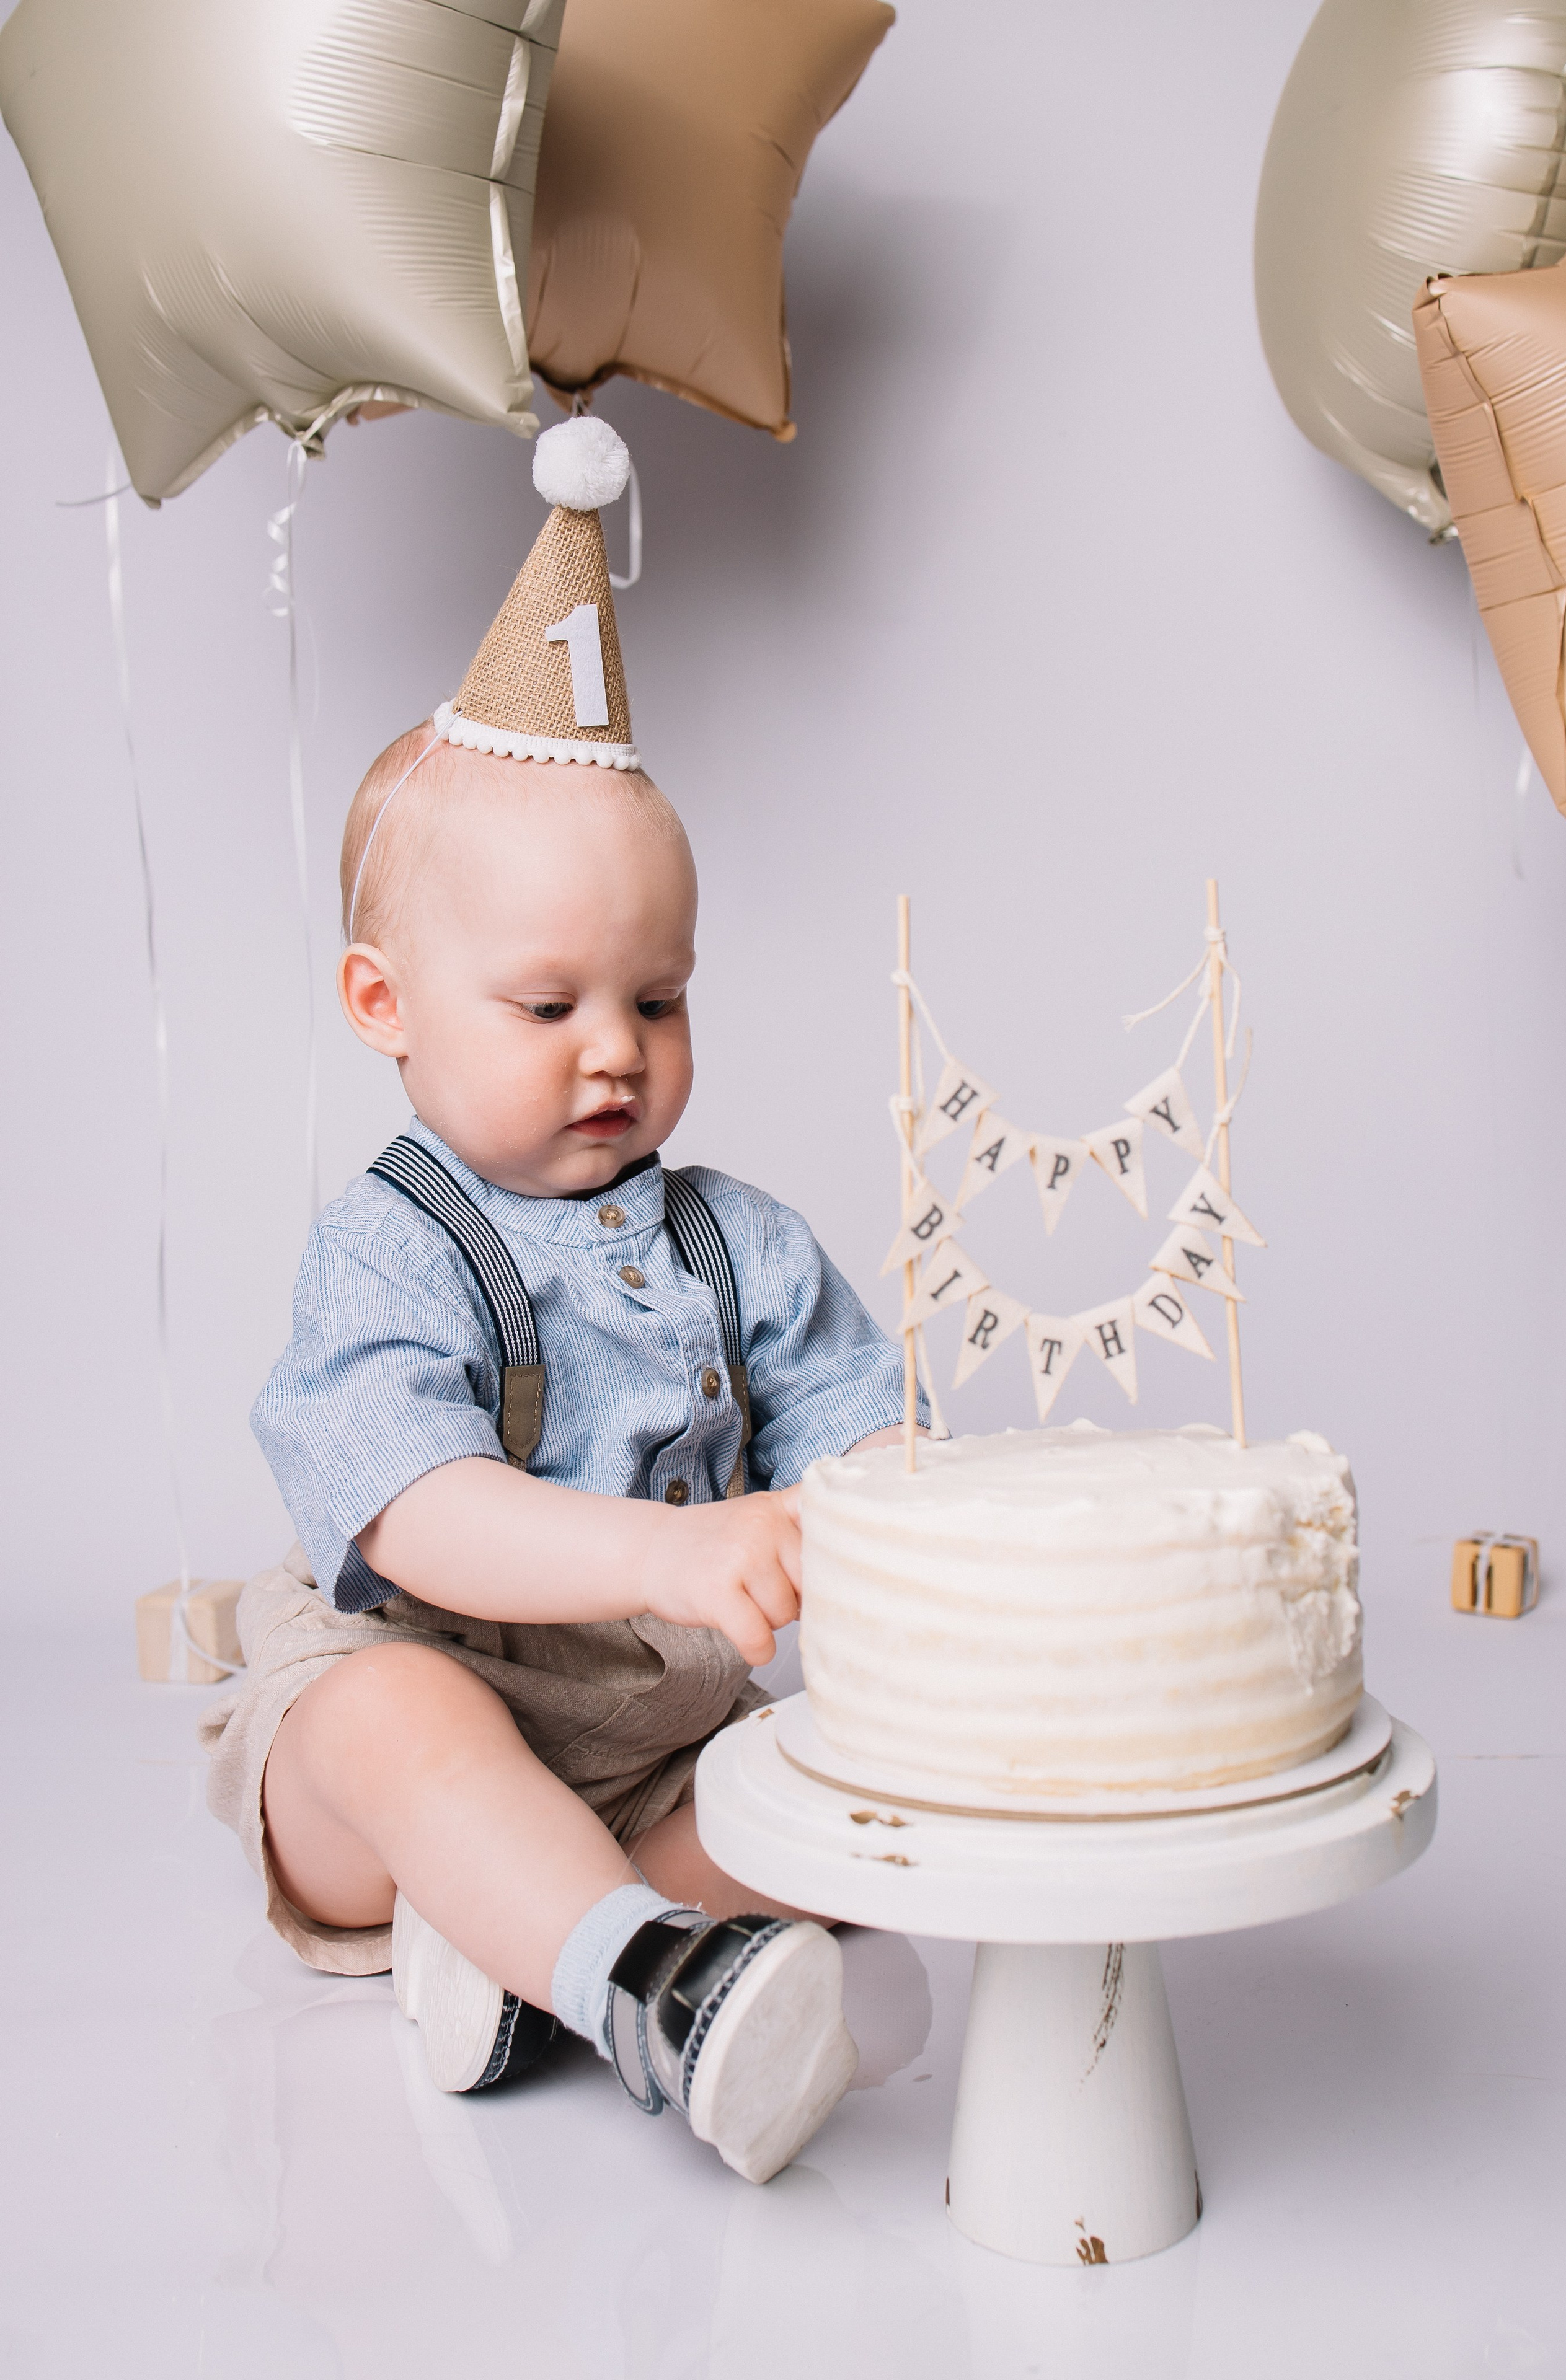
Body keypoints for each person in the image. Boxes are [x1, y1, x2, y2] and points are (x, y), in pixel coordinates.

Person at [201, 417, 915, 2187]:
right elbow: (417, 1511)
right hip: (409, 1717)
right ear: (386, 1001)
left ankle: (528, 1955)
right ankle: (648, 1987)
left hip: (651, 1748)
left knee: (841, 1791)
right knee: (393, 1727)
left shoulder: (739, 1243)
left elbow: (865, 1456)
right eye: (549, 1007)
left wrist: (899, 1527)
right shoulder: (392, 1245)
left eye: (658, 1000)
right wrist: (676, 1556)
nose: (619, 1051)